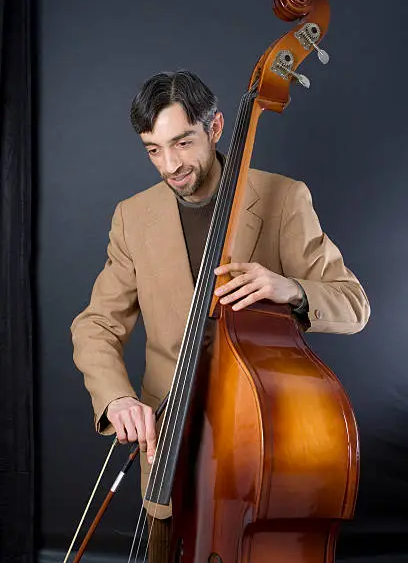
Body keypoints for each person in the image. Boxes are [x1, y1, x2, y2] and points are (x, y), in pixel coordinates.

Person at [70, 70, 370, 562]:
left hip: (252, 454)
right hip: (167, 452)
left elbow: (353, 304)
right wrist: (117, 398)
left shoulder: (282, 198)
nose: (170, 165)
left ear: (214, 128)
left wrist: (289, 288)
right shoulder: (132, 215)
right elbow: (96, 324)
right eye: (153, 149)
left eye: (182, 143)